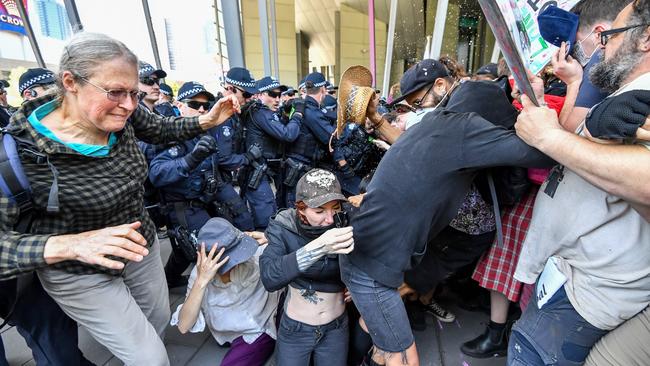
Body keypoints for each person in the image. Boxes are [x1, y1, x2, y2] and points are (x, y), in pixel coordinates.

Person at [0, 32, 238, 365]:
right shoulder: (19, 151)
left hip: (141, 247)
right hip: (79, 270)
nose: (128, 105)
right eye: (114, 93)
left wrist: (206, 120)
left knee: (154, 326)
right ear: (70, 81)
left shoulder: (123, 113)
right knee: (151, 358)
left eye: (133, 93)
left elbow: (157, 128)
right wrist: (70, 244)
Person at [340, 59, 554, 366]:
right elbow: (544, 150)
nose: (417, 109)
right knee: (397, 344)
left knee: (388, 333)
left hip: (378, 253)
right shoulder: (456, 125)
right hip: (380, 264)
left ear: (443, 88)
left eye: (418, 102)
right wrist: (536, 109)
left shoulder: (444, 124)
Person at [508, 1, 650, 364]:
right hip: (576, 271)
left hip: (597, 284)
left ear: (646, 38)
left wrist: (549, 138)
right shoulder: (626, 93)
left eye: (611, 37)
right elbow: (578, 143)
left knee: (530, 353)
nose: (602, 46)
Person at [259, 169, 354, 366]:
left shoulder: (344, 222)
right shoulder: (284, 225)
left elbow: (368, 258)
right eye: (319, 211)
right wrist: (319, 247)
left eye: (335, 208)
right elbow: (269, 277)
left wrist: (358, 284)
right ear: (301, 209)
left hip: (336, 328)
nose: (329, 219)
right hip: (296, 329)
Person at [171, 218, 279, 366]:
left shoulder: (256, 253)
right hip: (232, 332)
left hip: (264, 325)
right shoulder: (199, 274)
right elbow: (184, 326)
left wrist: (273, 239)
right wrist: (201, 282)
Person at [550, 0, 629, 132]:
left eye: (576, 48)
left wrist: (573, 83)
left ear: (599, 34)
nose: (575, 58)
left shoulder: (602, 56)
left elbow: (568, 134)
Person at [240, 76, 303, 228]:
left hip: (264, 170)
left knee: (272, 210)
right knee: (266, 218)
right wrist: (297, 116)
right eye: (272, 95)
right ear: (260, 94)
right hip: (256, 172)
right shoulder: (261, 113)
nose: (277, 99)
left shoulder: (265, 112)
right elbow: (288, 135)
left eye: (278, 95)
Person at [284, 72, 341, 206]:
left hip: (296, 165)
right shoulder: (311, 111)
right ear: (323, 89)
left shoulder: (304, 107)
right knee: (299, 207)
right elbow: (330, 137)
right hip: (299, 168)